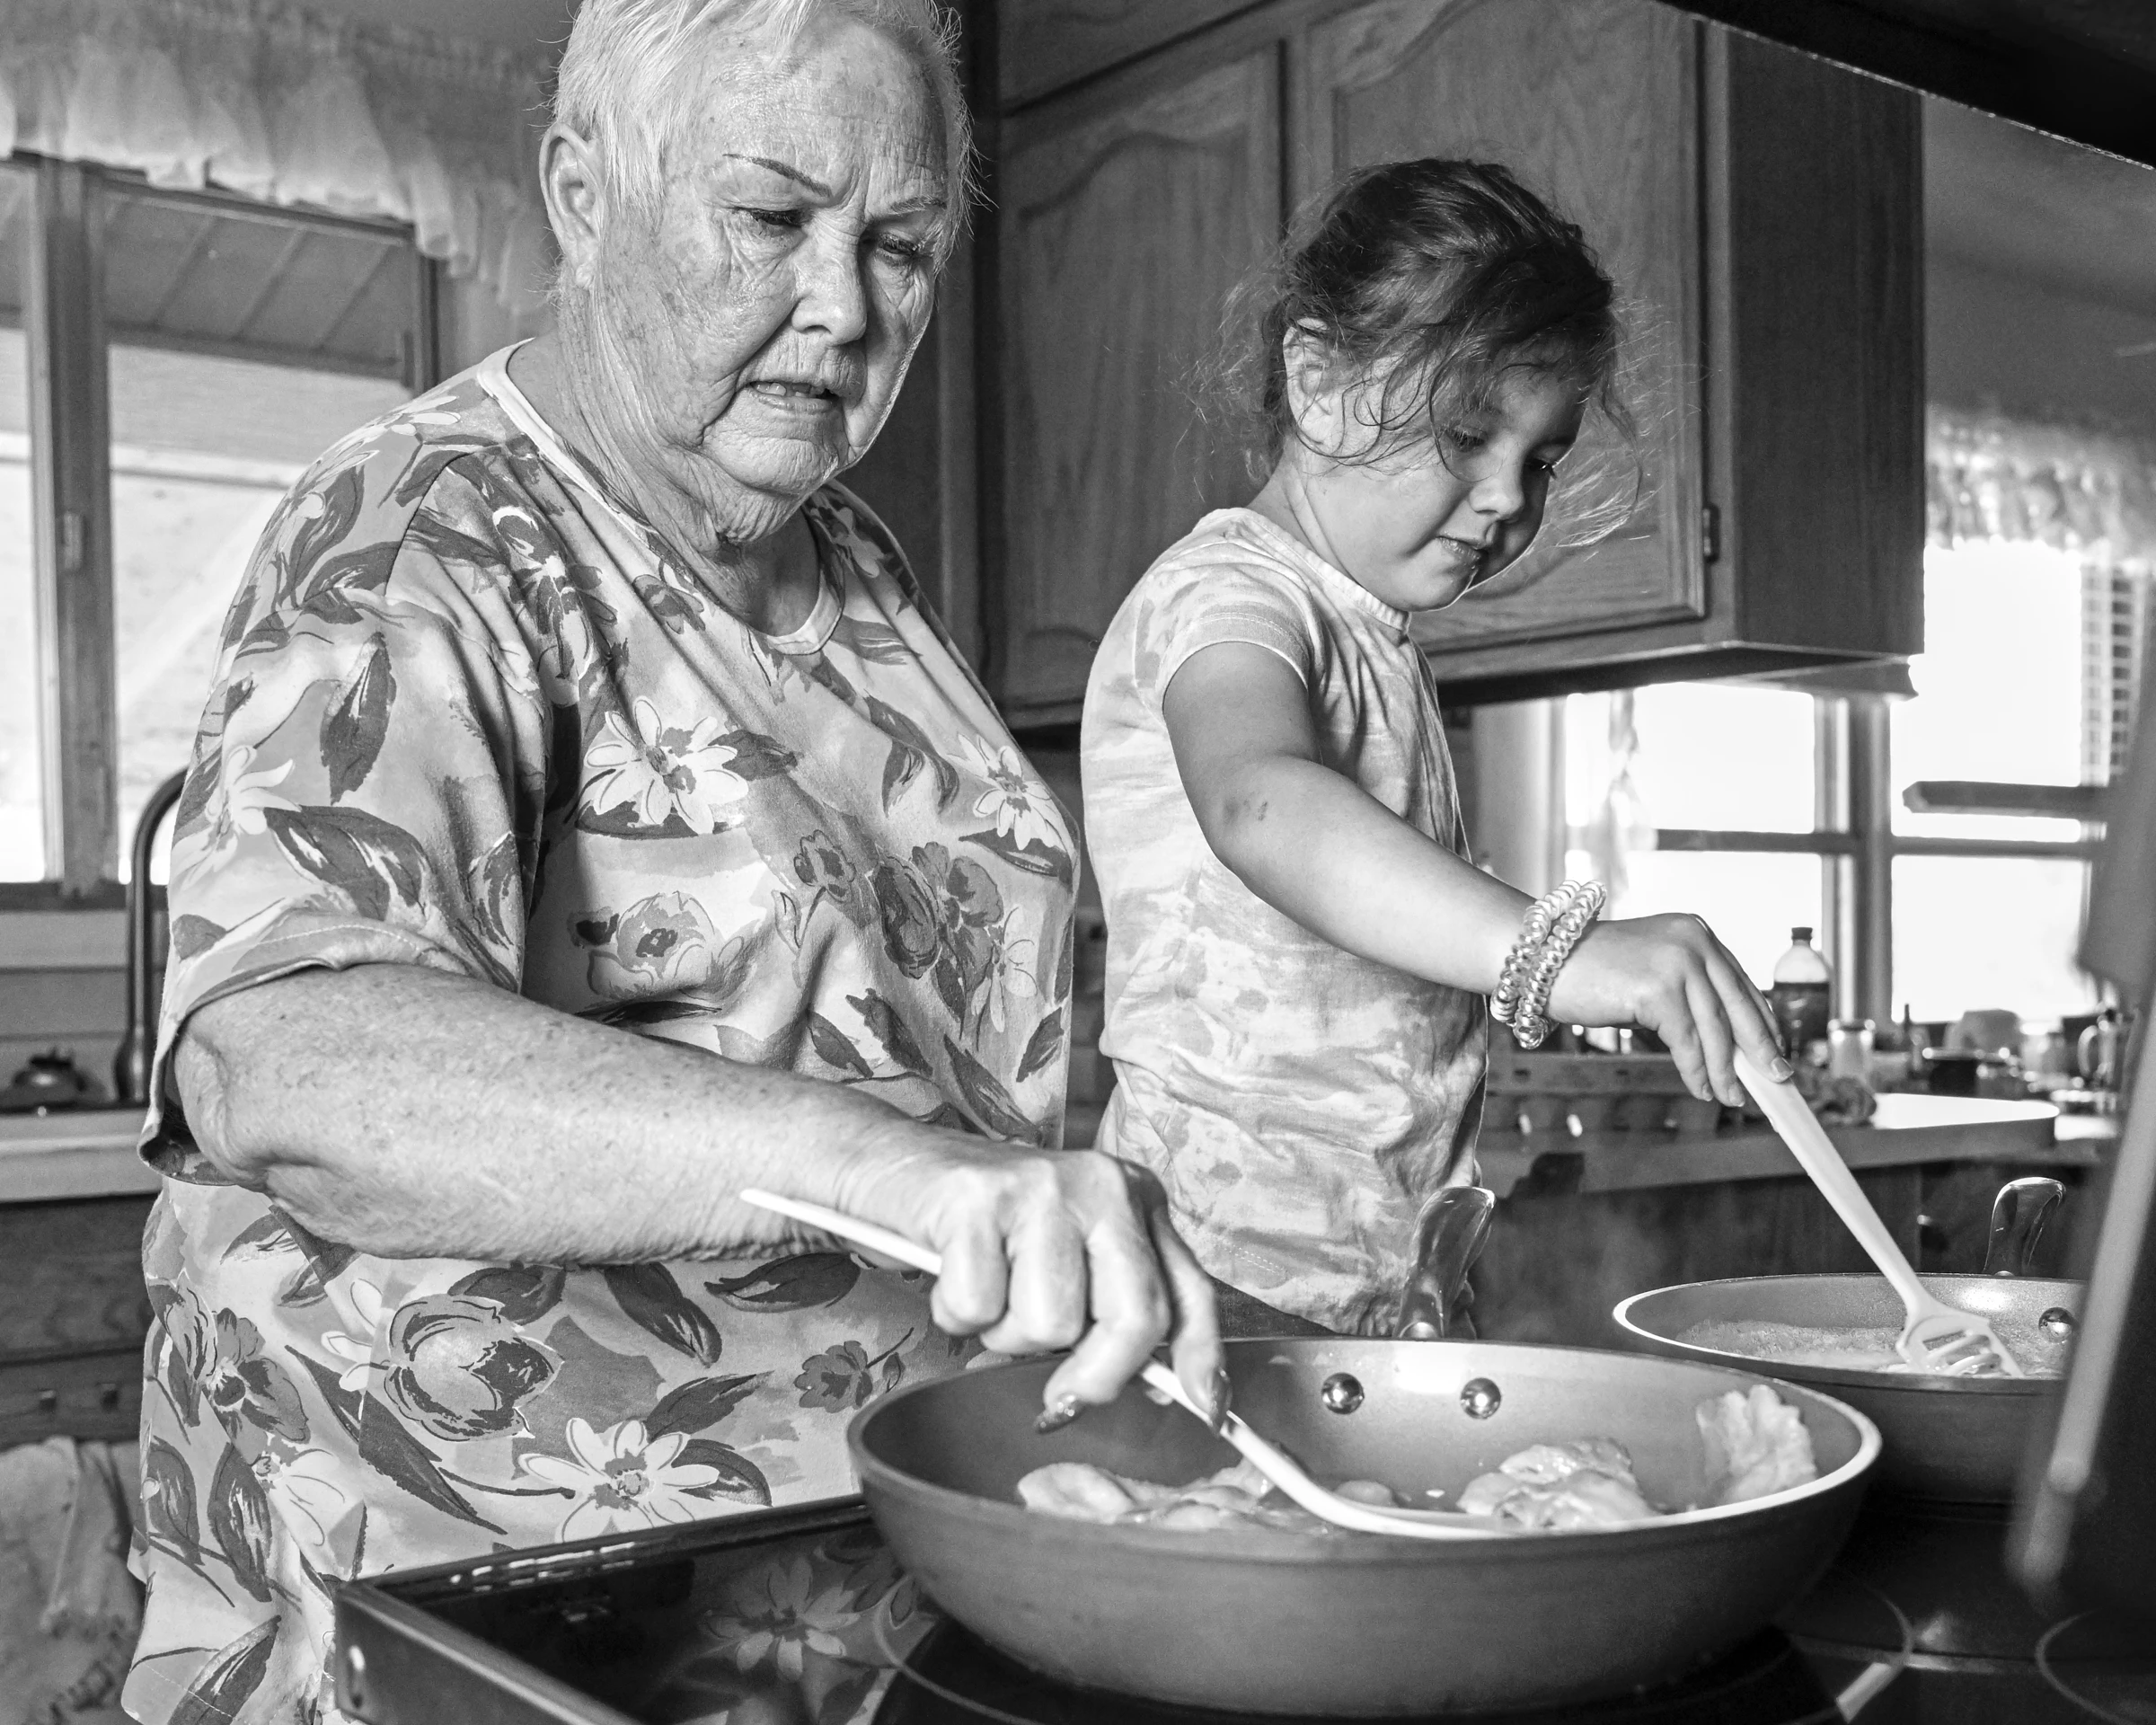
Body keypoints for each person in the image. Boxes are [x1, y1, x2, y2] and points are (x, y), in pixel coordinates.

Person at [127, 4, 1222, 1721]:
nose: (846, 307)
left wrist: (1052, 1227)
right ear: (582, 194)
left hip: (808, 1600)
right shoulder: (426, 525)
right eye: (771, 217)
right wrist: (898, 1174)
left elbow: (909, 1049)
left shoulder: (840, 554)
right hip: (464, 1617)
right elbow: (291, 1059)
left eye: (902, 242)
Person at [1081, 160, 1789, 1339]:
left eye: (1542, 458)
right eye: (1467, 435)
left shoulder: (1378, 638)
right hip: (1213, 1282)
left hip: (1378, 1287)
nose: (1507, 498)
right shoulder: (1228, 596)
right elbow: (1264, 807)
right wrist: (1562, 955)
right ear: (1316, 382)